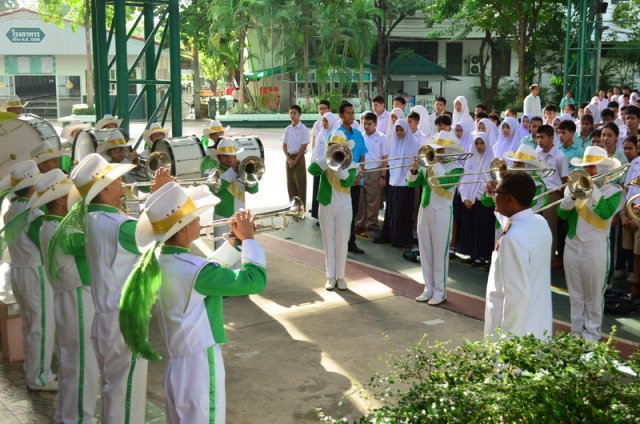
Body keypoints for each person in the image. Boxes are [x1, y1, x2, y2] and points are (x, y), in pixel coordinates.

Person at [119, 183, 266, 423]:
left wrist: (234, 242)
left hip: (177, 364)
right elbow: (254, 281)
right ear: (184, 228)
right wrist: (248, 239)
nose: (200, 221)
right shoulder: (195, 270)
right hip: (199, 364)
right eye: (195, 218)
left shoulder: (159, 259)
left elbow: (205, 274)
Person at [52, 154, 171, 422]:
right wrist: (163, 196)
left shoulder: (91, 221)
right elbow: (165, 234)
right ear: (104, 188)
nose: (123, 184)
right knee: (125, 395)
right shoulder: (117, 226)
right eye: (117, 180)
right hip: (121, 321)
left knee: (114, 390)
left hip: (105, 319)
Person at [32, 169, 99, 422]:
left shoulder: (50, 224)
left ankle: (66, 415)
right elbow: (91, 245)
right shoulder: (57, 228)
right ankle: (78, 418)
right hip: (77, 297)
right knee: (83, 364)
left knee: (73, 362)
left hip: (69, 297)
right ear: (60, 200)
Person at [1, 160, 57, 391]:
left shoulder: (12, 209)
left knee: (31, 325)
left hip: (19, 271)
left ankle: (33, 370)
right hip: (35, 272)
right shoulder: (31, 212)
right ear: (32, 185)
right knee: (41, 326)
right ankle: (39, 377)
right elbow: (43, 242)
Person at [559, 147, 623, 341]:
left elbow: (604, 213)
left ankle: (592, 335)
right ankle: (576, 333)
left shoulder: (615, 191)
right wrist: (572, 196)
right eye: (586, 167)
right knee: (576, 294)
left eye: (592, 168)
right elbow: (562, 214)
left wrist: (592, 189)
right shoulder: (573, 186)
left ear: (604, 168)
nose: (589, 171)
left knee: (594, 296)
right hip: (572, 244)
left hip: (595, 246)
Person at [409, 131, 464, 305]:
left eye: (441, 150)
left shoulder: (456, 167)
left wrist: (433, 163)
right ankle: (428, 288)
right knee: (425, 251)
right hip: (425, 210)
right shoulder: (429, 164)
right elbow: (411, 182)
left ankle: (440, 291)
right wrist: (414, 170)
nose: (438, 152)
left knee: (439, 253)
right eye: (436, 149)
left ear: (448, 151)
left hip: (442, 211)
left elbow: (446, 183)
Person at [308, 130, 358, 290]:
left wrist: (339, 165)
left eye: (338, 148)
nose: (335, 150)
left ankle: (341, 277)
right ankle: (330, 276)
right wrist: (327, 159)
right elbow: (311, 170)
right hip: (326, 204)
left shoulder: (352, 164)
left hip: (344, 205)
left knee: (342, 241)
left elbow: (347, 182)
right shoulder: (324, 162)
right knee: (328, 240)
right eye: (332, 146)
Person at [204, 139, 258, 249]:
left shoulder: (241, 171)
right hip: (222, 217)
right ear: (219, 157)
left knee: (240, 251)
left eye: (232, 156)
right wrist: (233, 171)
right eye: (225, 156)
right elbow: (216, 187)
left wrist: (248, 174)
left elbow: (254, 190)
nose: (229, 159)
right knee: (222, 249)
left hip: (240, 218)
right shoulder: (212, 172)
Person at [374, 120, 420, 248]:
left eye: (401, 130)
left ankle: (401, 239)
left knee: (402, 212)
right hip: (393, 182)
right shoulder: (393, 143)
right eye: (397, 130)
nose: (399, 133)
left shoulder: (413, 145)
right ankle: (390, 235)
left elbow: (415, 166)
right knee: (392, 211)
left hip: (406, 184)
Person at [332, 101, 368, 254]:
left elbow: (362, 155)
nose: (351, 116)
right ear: (340, 115)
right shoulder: (335, 134)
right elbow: (332, 159)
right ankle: (338, 242)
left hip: (355, 179)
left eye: (353, 113)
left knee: (352, 212)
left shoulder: (358, 134)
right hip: (340, 180)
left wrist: (360, 173)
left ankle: (351, 241)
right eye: (348, 113)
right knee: (339, 212)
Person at [458, 132, 496, 268]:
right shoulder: (470, 159)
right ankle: (472, 253)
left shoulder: (491, 160)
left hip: (482, 201)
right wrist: (465, 197)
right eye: (477, 143)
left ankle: (482, 255)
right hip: (469, 201)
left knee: (482, 229)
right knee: (470, 228)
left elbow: (487, 182)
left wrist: (474, 198)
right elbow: (463, 180)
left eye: (481, 143)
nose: (479, 146)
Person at [536, 124, 570, 267]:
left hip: (552, 195)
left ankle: (548, 262)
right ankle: (536, 259)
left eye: (542, 137)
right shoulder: (537, 154)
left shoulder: (560, 157)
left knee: (550, 230)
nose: (539, 140)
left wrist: (558, 197)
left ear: (551, 138)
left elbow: (564, 181)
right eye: (537, 137)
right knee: (536, 228)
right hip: (538, 194)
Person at [355, 112, 388, 238]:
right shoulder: (361, 136)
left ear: (375, 124)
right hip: (362, 171)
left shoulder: (381, 137)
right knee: (361, 200)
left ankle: (371, 225)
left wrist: (383, 176)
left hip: (375, 171)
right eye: (365, 124)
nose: (367, 126)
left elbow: (385, 157)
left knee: (373, 201)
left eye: (369, 124)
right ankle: (360, 224)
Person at [283, 105, 308, 207]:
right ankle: (293, 207)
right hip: (289, 158)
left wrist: (296, 160)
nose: (292, 115)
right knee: (291, 184)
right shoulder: (288, 129)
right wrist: (289, 158)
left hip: (299, 158)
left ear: (299, 115)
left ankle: (301, 209)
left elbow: (304, 145)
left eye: (295, 113)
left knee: (300, 184)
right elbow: (284, 145)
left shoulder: (303, 129)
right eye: (291, 113)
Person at [310, 100, 331, 219]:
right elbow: (314, 143)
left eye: (324, 108)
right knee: (316, 187)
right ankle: (316, 212)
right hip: (318, 161)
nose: (321, 111)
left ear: (329, 110)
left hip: (328, 164)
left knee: (325, 189)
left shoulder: (334, 125)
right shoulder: (317, 124)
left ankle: (324, 214)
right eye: (320, 108)